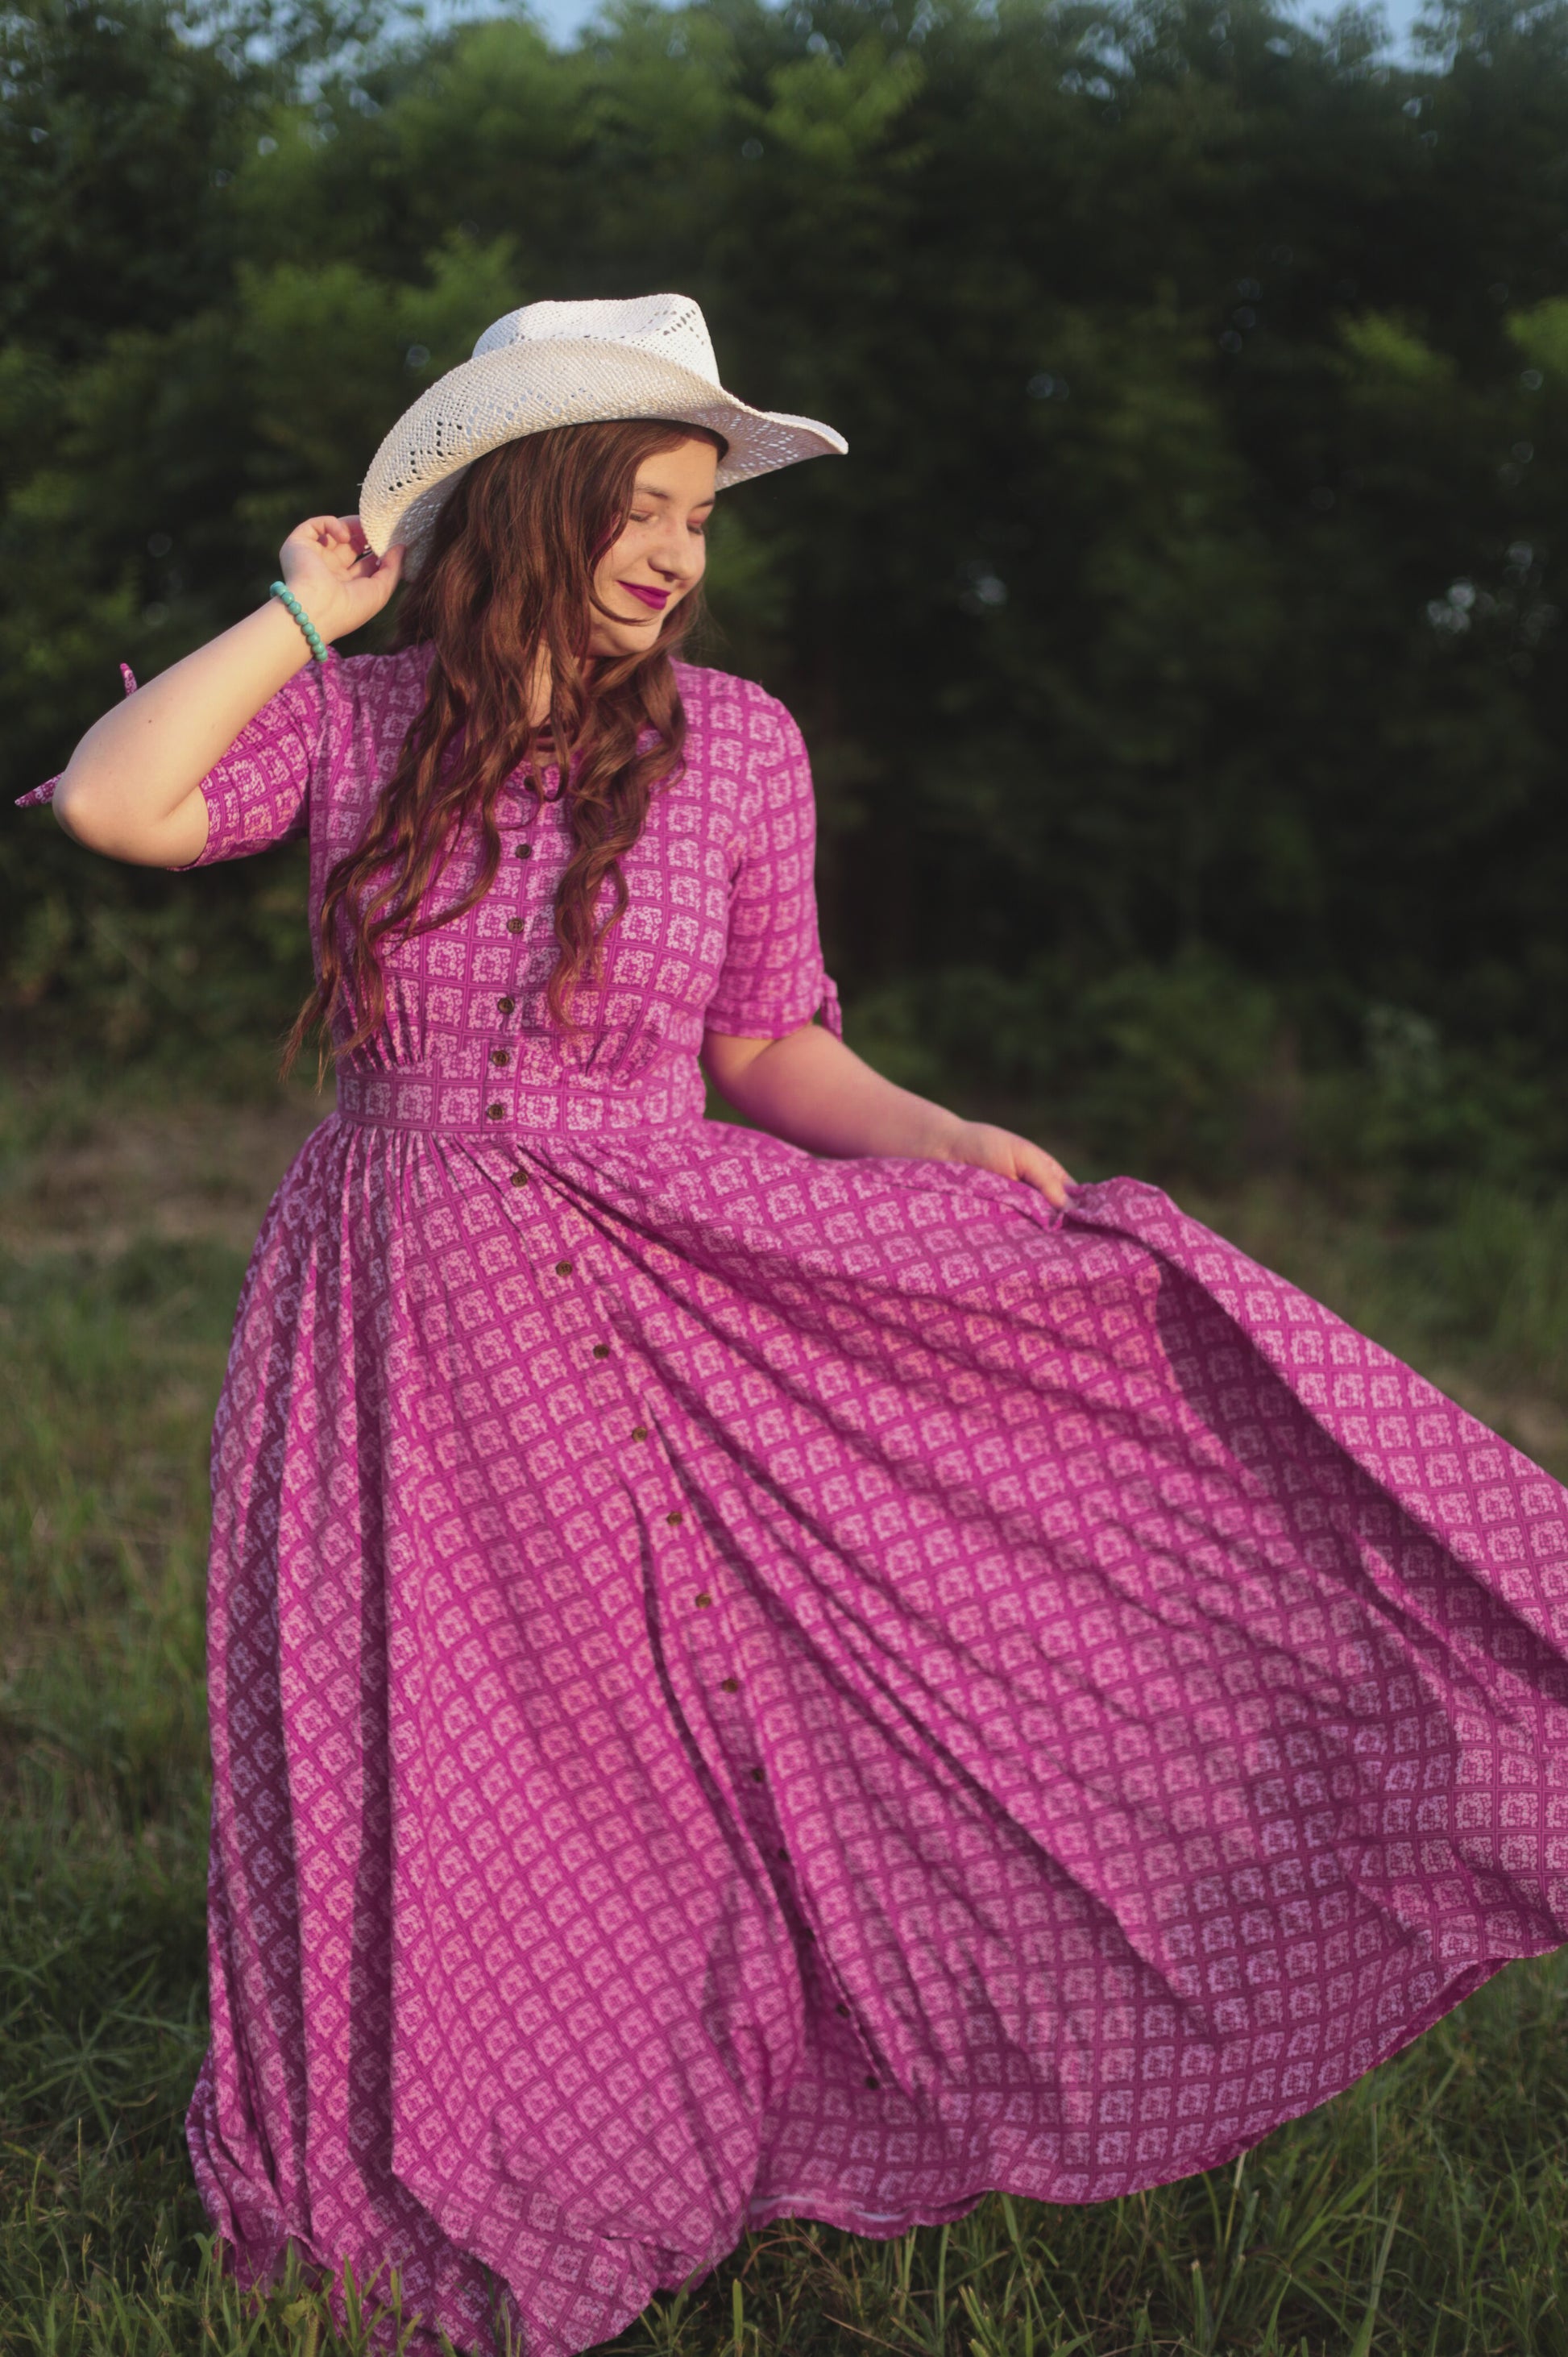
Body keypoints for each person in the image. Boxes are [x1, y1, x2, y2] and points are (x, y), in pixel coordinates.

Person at [26, 291, 1568, 2357]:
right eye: (631, 507)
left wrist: (941, 1139)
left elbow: (765, 1040)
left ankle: (660, 2113)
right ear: (519, 512)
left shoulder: (738, 742)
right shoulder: (362, 716)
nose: (672, 549)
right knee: (422, 1734)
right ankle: (436, 2143)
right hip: (388, 1303)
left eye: (695, 513)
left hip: (664, 1277)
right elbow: (122, 802)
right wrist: (304, 611)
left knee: (636, 1732)